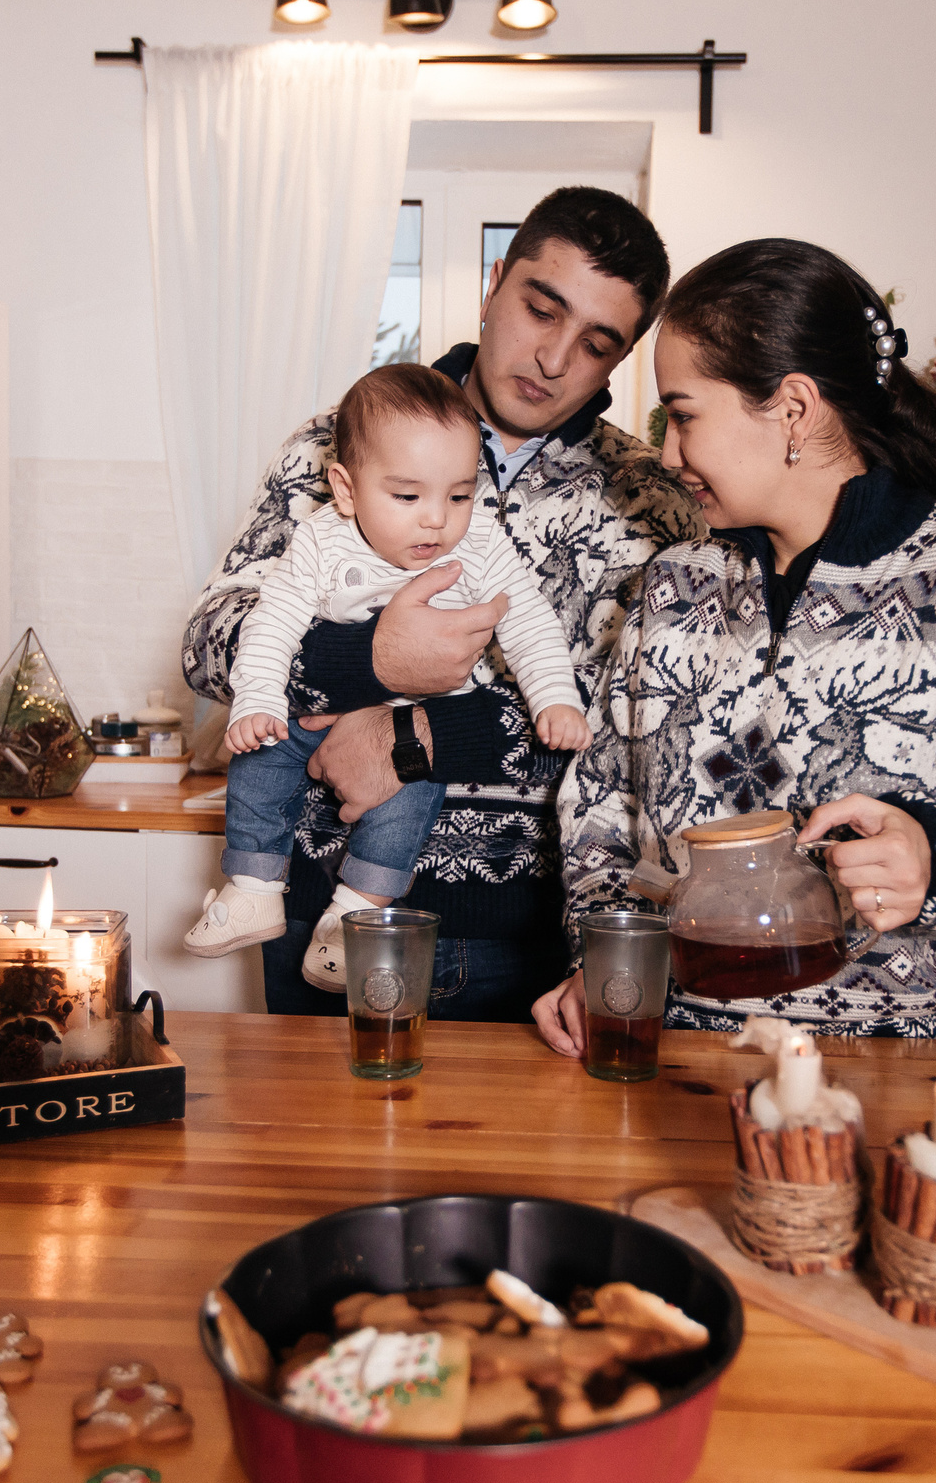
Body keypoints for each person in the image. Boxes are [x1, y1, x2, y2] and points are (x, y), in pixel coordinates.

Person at [533, 238, 936, 1053]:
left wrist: (932, 859)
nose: (666, 452)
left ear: (793, 408)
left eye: (684, 415)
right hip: (673, 1047)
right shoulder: (673, 585)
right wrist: (607, 955)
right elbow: (599, 811)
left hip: (891, 1060)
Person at [181, 187, 702, 1020]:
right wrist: (368, 659)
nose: (554, 357)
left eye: (597, 343)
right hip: (313, 919)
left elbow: (645, 745)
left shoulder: (656, 508)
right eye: (541, 309)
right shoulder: (336, 444)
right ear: (494, 285)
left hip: (523, 944)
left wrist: (418, 735)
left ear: (621, 358)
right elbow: (207, 643)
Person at [184, 363, 588, 988]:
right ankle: (254, 885)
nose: (436, 520)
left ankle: (357, 912)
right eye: (408, 497)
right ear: (345, 489)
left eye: (459, 494)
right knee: (259, 759)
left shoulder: (478, 543)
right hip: (312, 721)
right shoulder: (320, 540)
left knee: (405, 805)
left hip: (420, 740)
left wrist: (554, 698)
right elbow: (270, 623)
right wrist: (260, 701)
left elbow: (529, 621)